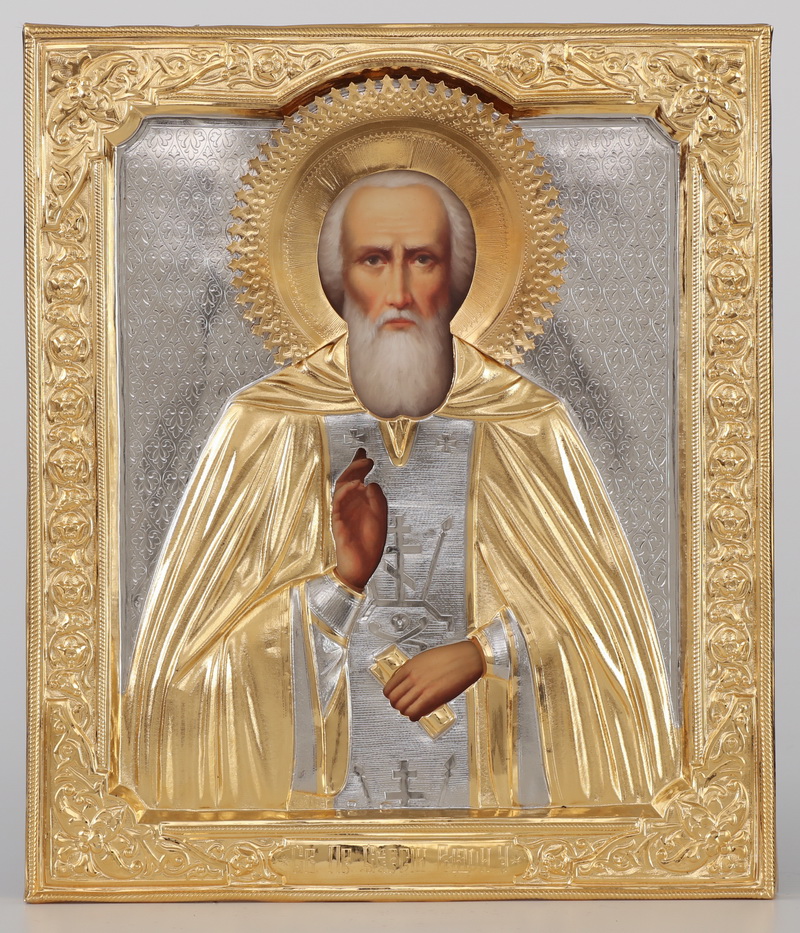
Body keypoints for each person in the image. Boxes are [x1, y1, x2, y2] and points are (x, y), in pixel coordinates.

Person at [122, 170, 678, 812]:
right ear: (337, 280)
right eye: (373, 261)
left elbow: (607, 653)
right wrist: (340, 588)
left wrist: (484, 653)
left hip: (497, 835)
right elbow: (185, 681)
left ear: (458, 278)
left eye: (422, 260)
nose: (399, 293)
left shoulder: (526, 424)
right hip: (311, 846)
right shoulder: (268, 424)